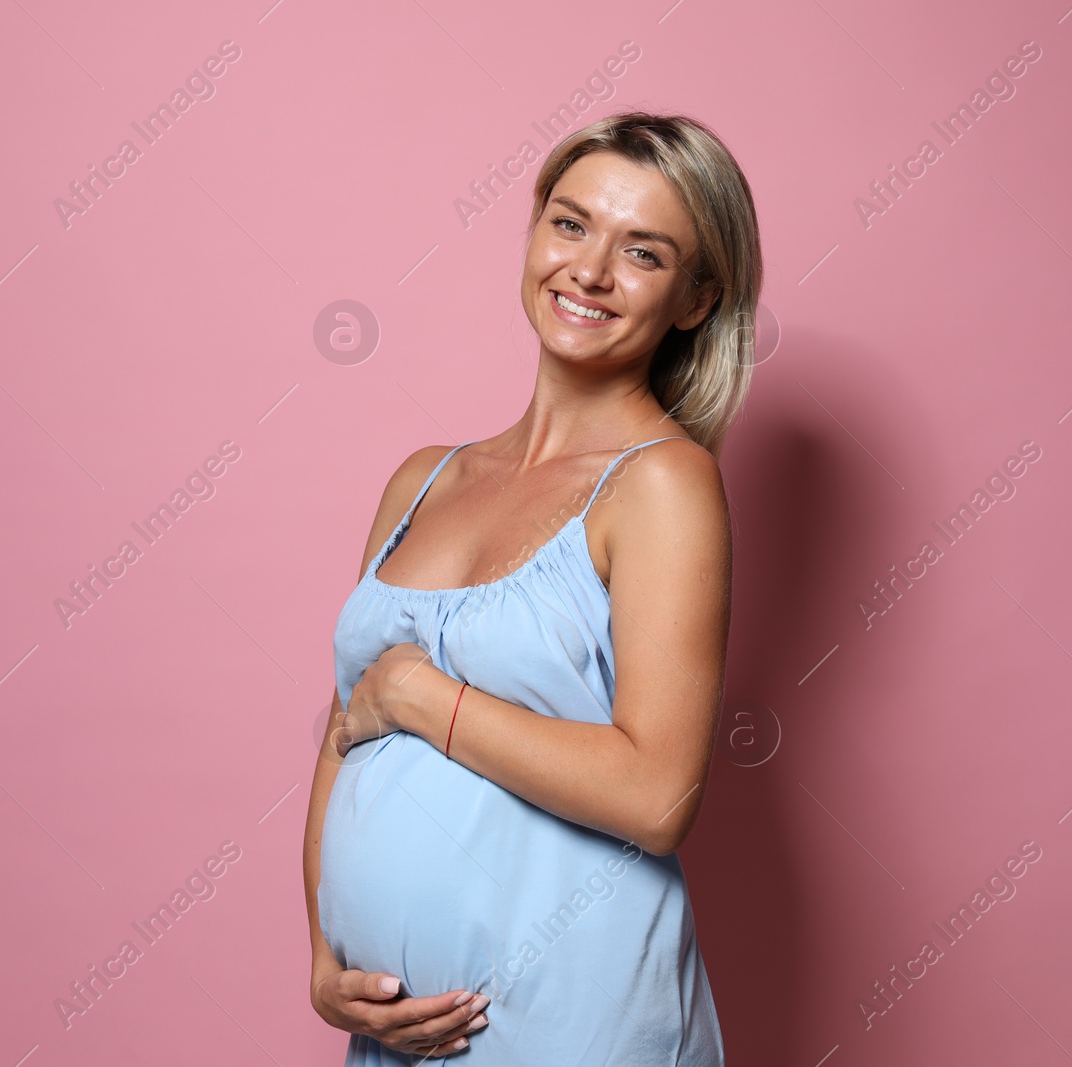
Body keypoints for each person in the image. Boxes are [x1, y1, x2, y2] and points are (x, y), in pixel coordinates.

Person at [302, 110, 762, 1064]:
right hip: (401, 1036)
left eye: (642, 251)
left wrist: (425, 696)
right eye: (569, 223)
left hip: (574, 1024)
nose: (589, 271)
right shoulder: (424, 477)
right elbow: (347, 729)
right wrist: (324, 959)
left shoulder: (661, 485)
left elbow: (657, 793)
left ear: (694, 298)